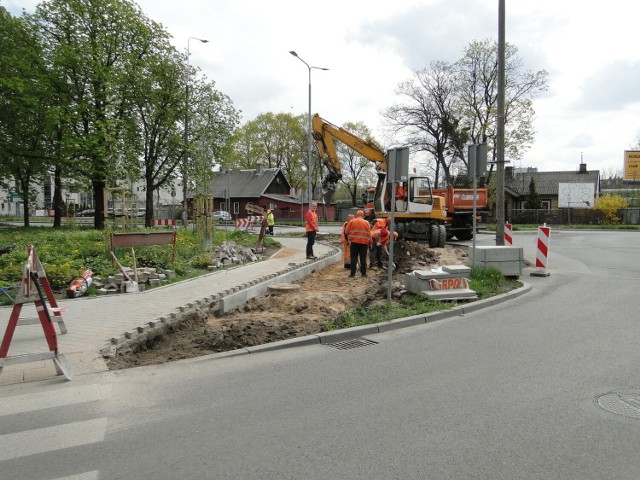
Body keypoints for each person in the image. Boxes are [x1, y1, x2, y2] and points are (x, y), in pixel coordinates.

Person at [344, 210, 371, 277]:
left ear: (356, 215)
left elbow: (346, 232)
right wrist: (370, 242)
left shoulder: (352, 221)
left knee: (353, 258)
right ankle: (363, 273)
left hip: (354, 243)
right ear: (363, 215)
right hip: (364, 243)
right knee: (363, 258)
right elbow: (369, 234)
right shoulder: (366, 222)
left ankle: (352, 274)